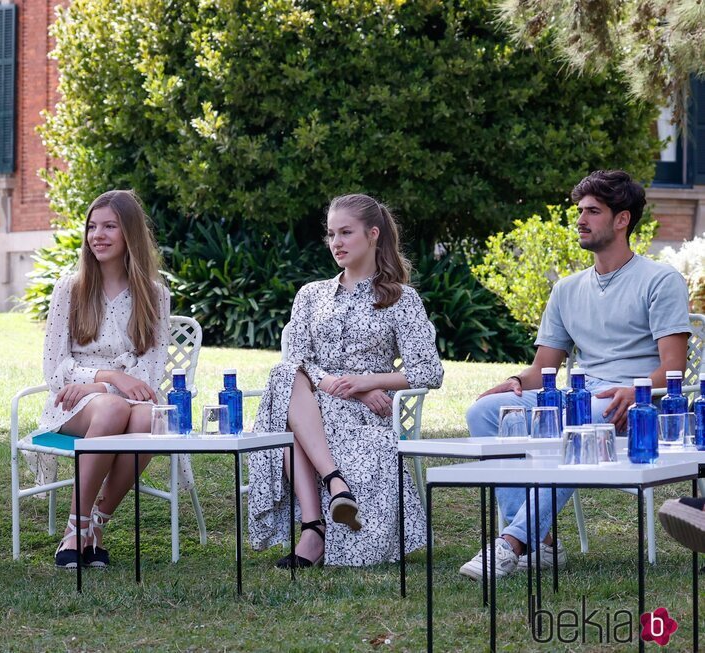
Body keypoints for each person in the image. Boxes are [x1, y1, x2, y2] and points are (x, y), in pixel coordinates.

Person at [461, 170, 690, 580]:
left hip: (636, 410)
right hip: (581, 398)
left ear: (622, 220)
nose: (580, 220)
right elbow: (543, 369)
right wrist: (515, 384)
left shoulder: (660, 280)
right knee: (487, 412)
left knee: (578, 419)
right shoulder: (566, 289)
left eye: (593, 211)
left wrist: (635, 392)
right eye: (579, 210)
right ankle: (542, 543)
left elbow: (673, 368)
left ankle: (511, 543)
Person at [248, 194, 444, 567]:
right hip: (311, 399)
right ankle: (324, 505)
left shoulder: (401, 299)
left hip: (366, 415)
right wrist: (332, 383)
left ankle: (317, 527)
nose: (336, 243)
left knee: (290, 413)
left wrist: (366, 384)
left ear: (373, 235)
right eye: (331, 234)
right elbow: (298, 359)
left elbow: (428, 371)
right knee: (284, 376)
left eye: (345, 233)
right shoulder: (311, 295)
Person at [39, 189, 169, 570]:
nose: (98, 235)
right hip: (72, 402)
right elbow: (54, 367)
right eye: (92, 227)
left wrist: (104, 387)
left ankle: (95, 525)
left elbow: (150, 370)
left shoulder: (154, 295)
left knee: (148, 418)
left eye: (110, 226)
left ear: (129, 232)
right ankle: (75, 527)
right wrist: (107, 378)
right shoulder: (71, 288)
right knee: (113, 408)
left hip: (125, 398)